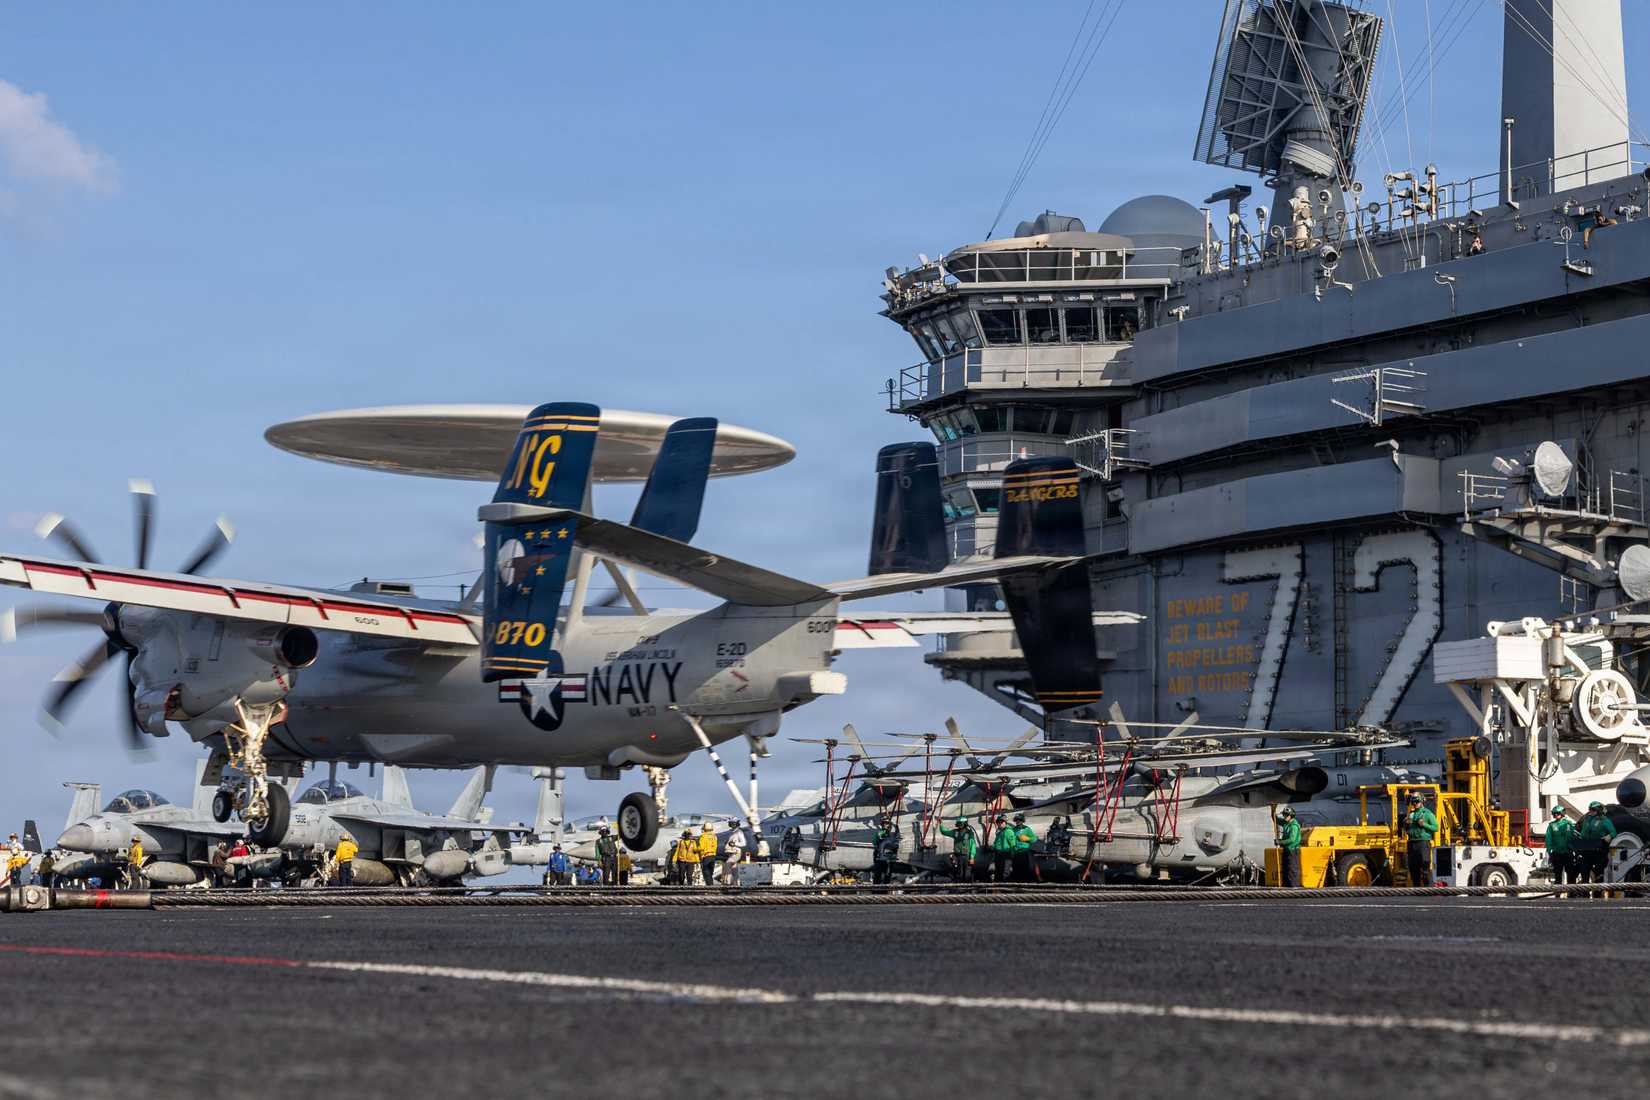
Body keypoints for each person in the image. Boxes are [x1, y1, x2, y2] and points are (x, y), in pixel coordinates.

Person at [1575, 801, 1618, 890]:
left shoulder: (1605, 820)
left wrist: (1609, 836)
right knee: (1584, 870)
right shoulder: (1586, 819)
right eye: (1590, 809)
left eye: (1593, 809)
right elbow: (1582, 832)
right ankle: (1585, 893)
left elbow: (1613, 832)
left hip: (1599, 849)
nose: (1591, 811)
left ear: (1598, 810)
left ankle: (1598, 894)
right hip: (1587, 848)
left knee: (1599, 872)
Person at [1402, 791, 1439, 887]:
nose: (1415, 803)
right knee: (1413, 868)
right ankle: (1416, 889)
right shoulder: (1411, 814)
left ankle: (1428, 889)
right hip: (1411, 843)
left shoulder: (1427, 813)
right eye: (1413, 802)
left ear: (1422, 801)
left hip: (1423, 843)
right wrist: (1406, 824)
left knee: (1424, 867)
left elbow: (1435, 827)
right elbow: (1406, 829)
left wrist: (1424, 824)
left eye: (1417, 801)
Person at [1544, 805, 1576, 892]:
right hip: (1557, 853)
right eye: (1554, 814)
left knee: (1570, 874)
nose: (1555, 815)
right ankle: (1558, 893)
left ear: (1562, 814)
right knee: (1557, 874)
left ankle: (1571, 893)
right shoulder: (1551, 825)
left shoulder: (1568, 823)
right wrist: (1549, 850)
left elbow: (1573, 836)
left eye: (1557, 813)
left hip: (1568, 853)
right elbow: (1548, 838)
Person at [937, 814, 978, 883]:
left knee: (966, 873)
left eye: (960, 824)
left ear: (965, 824)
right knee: (958, 872)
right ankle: (959, 886)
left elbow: (972, 845)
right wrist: (941, 824)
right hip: (957, 855)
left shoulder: (969, 833)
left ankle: (967, 887)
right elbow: (944, 832)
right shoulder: (955, 832)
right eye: (958, 824)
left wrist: (972, 857)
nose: (959, 825)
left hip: (966, 856)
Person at [1276, 806, 1303, 887]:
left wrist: (1280, 842)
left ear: (1291, 816)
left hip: (1293, 851)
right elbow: (1276, 820)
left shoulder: (1293, 826)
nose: (1284, 816)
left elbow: (1292, 839)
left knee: (1292, 870)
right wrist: (1273, 812)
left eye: (1286, 815)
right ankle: (1286, 886)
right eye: (1284, 815)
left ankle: (1294, 887)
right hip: (1287, 850)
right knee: (1286, 869)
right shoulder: (1286, 822)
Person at [871, 816, 898, 885]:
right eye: (885, 824)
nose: (887, 825)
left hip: (889, 857)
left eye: (888, 824)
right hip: (880, 857)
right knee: (878, 874)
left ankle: (885, 889)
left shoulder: (892, 834)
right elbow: (875, 842)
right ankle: (876, 890)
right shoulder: (880, 833)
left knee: (888, 874)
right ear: (882, 825)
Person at [1010, 814, 1037, 883]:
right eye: (1017, 820)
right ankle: (1016, 883)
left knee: (1024, 868)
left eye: (1019, 820)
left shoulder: (1027, 829)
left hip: (1024, 852)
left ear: (1022, 821)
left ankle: (1025, 883)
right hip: (1016, 852)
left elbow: (1034, 839)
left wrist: (1027, 839)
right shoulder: (1013, 830)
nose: (1018, 821)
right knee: (1015, 868)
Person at [989, 816, 1013, 883]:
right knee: (998, 870)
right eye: (998, 823)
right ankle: (998, 887)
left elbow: (1012, 844)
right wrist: (993, 847)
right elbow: (996, 842)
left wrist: (1012, 854)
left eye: (1001, 822)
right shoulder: (999, 832)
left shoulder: (1008, 831)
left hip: (1005, 854)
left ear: (1005, 823)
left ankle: (1005, 888)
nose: (1000, 824)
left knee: (1005, 871)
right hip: (998, 854)